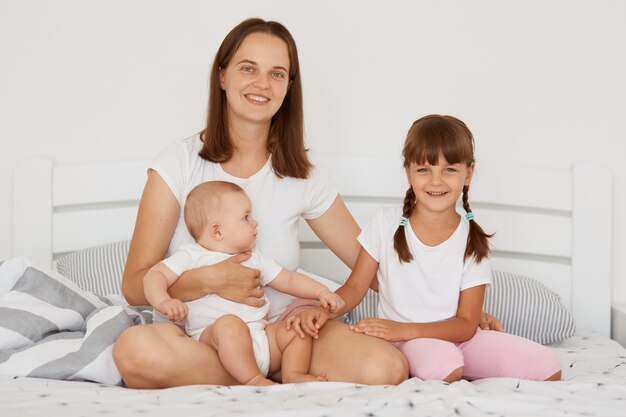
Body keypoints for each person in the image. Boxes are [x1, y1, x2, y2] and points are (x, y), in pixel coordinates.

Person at [112, 18, 501, 388]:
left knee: (387, 367)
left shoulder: (303, 175)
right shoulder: (178, 163)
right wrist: (208, 280)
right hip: (203, 339)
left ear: (288, 86)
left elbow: (376, 268)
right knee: (134, 352)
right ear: (223, 76)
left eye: (277, 73)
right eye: (248, 68)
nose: (262, 83)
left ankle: (252, 373)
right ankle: (248, 374)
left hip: (288, 336)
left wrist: (456, 311)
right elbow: (134, 286)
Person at [287, 115, 562, 383]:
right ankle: (449, 364)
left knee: (548, 366)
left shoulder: (473, 240)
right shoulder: (385, 222)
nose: (436, 181)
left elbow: (467, 324)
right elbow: (355, 288)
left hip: (455, 338)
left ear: (469, 173)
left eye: (449, 169)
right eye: (424, 170)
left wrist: (402, 329)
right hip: (405, 342)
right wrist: (326, 310)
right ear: (408, 172)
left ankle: (462, 362)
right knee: (444, 364)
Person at [143, 180, 344, 385]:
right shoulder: (191, 256)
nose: (255, 223)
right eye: (246, 218)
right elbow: (155, 275)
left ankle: (293, 373)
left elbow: (288, 279)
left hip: (261, 339)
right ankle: (254, 380)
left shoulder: (254, 258)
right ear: (217, 231)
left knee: (297, 328)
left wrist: (322, 292)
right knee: (229, 324)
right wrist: (164, 302)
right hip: (216, 348)